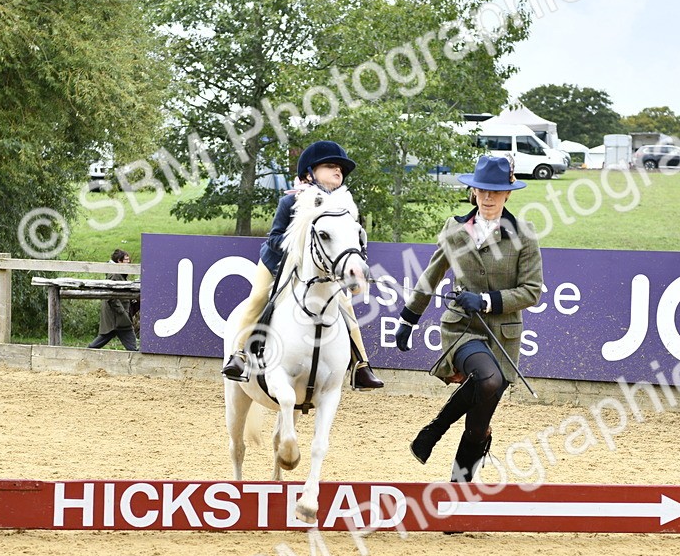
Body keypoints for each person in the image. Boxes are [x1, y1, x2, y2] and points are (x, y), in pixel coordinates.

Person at [396, 155, 543, 482]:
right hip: (462, 328)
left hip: (503, 335)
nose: (488, 198)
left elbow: (532, 291)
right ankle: (437, 428)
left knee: (477, 427)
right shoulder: (454, 229)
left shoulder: (525, 235)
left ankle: (456, 489)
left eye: (495, 191)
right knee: (487, 379)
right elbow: (431, 275)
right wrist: (409, 318)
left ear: (508, 194)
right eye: (482, 190)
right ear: (473, 192)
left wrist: (488, 300)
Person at [221, 140, 383, 390]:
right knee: (257, 300)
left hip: (322, 271)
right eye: (330, 166)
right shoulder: (291, 202)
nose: (338, 170)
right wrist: (302, 247)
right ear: (309, 172)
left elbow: (351, 240)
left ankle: (362, 365)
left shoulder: (343, 208)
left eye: (340, 168)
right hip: (278, 264)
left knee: (347, 306)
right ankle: (239, 354)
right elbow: (274, 237)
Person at [88, 248, 138, 350]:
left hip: (117, 317)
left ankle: (85, 353)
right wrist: (122, 312)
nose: (129, 262)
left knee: (103, 339)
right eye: (126, 260)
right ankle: (84, 354)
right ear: (119, 261)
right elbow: (111, 296)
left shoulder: (119, 273)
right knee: (130, 343)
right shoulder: (115, 274)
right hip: (117, 316)